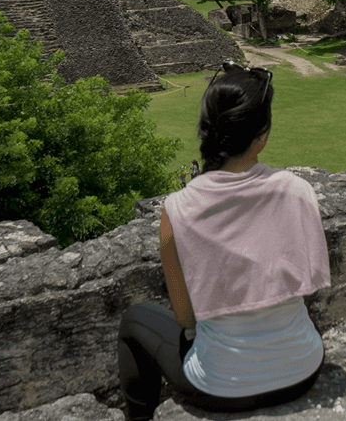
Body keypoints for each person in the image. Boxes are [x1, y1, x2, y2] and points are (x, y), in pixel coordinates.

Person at [117, 61, 330, 420]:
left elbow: (186, 319)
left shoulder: (178, 208)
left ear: (207, 130)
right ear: (262, 136)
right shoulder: (297, 191)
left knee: (135, 320)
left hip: (221, 386)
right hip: (303, 370)